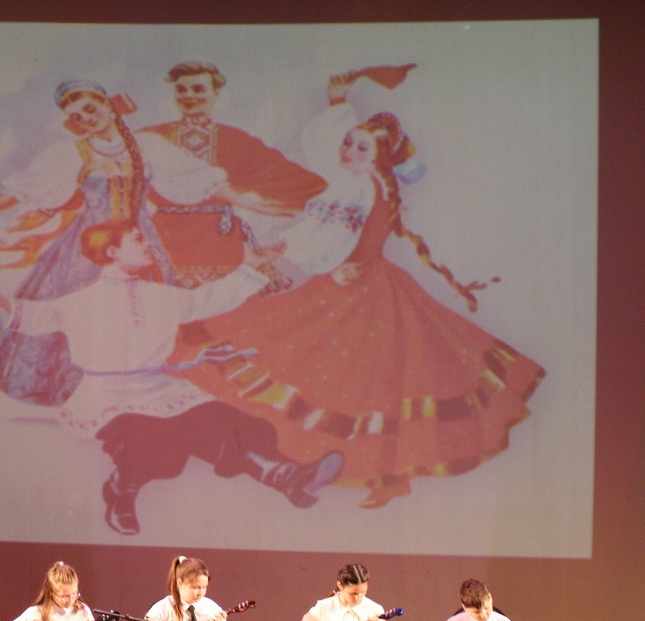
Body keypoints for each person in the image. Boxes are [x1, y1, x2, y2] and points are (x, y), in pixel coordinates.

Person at [175, 65, 545, 507]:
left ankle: (374, 473)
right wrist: (338, 103)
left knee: (358, 384)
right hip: (363, 283)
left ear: (376, 157)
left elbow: (335, 236)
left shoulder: (360, 187)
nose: (348, 149)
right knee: (361, 385)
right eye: (348, 142)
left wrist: (318, 262)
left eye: (360, 146)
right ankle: (376, 476)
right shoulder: (367, 181)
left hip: (357, 288)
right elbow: (327, 203)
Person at [0, 219, 342, 535]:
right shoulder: (83, 300)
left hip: (159, 387)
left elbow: (208, 299)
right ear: (112, 251)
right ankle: (120, 494)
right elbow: (36, 316)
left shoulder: (161, 296)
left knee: (229, 422)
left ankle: (286, 476)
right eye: (138, 239)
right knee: (155, 444)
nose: (148, 244)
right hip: (107, 394)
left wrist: (250, 266)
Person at [0, 79, 279, 407]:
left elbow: (199, 182)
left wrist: (250, 202)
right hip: (89, 245)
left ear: (108, 105)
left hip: (139, 241)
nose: (86, 118)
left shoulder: (146, 146)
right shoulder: (71, 152)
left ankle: (137, 379)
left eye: (90, 108)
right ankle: (74, 387)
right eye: (77, 116)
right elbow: (18, 193)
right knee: (73, 310)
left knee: (150, 305)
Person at [141, 61, 327, 289]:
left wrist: (329, 198)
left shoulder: (234, 139)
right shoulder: (153, 137)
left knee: (227, 303)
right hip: (166, 235)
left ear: (215, 93)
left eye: (198, 89)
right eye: (181, 89)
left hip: (218, 237)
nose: (188, 96)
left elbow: (283, 175)